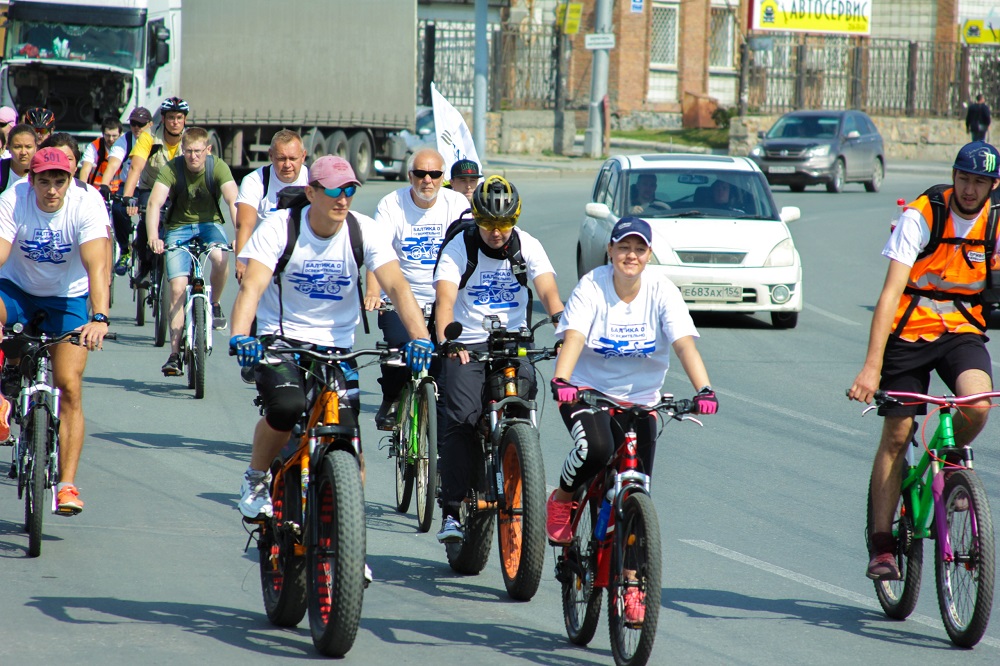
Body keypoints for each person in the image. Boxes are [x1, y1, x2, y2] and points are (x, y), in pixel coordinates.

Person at [229, 155, 433, 521]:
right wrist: (242, 336)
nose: (343, 199)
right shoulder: (280, 227)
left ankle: (349, 538)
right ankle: (257, 478)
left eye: (350, 190)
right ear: (311, 191)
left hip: (337, 347)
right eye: (335, 190)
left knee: (348, 436)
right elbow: (253, 287)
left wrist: (420, 338)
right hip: (282, 339)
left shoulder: (363, 229)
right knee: (287, 407)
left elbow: (398, 287)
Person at [847, 141, 1000, 581]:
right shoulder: (923, 214)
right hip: (909, 331)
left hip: (961, 332)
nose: (970, 190)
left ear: (993, 185)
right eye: (964, 178)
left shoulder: (995, 221)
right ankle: (881, 545)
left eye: (980, 182)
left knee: (978, 403)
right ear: (954, 176)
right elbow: (890, 293)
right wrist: (871, 366)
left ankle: (947, 463)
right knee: (896, 435)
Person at [432, 175, 564, 543]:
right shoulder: (460, 247)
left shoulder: (528, 246)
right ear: (476, 217)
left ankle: (519, 459)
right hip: (468, 345)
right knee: (460, 418)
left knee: (524, 396)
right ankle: (452, 509)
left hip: (513, 343)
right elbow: (445, 301)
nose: (496, 232)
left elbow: (550, 292)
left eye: (505, 224)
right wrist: (447, 340)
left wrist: (564, 329)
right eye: (489, 223)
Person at [0, 147, 111, 513]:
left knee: (70, 385)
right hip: (16, 289)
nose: (51, 189)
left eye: (59, 181)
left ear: (70, 180)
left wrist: (99, 317)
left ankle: (66, 484)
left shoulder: (86, 203)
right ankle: (6, 388)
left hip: (67, 298)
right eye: (43, 181)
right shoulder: (13, 199)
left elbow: (97, 267)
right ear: (30, 180)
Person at [368, 148, 471, 430]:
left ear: (443, 178)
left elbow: (471, 247)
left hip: (444, 298)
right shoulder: (391, 204)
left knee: (445, 363)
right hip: (400, 297)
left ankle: (437, 433)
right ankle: (391, 399)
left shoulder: (456, 202)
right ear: (409, 176)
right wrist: (373, 292)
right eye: (420, 174)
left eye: (435, 174)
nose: (427, 180)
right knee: (397, 354)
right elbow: (377, 252)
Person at [146, 126, 237, 376]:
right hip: (178, 228)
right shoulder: (172, 169)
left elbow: (233, 200)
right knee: (176, 288)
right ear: (182, 150)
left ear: (208, 150)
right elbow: (155, 203)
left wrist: (241, 236)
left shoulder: (217, 167)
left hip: (210, 225)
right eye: (188, 151)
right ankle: (174, 354)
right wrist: (154, 236)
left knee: (220, 257)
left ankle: (215, 303)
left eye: (198, 151)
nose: (193, 156)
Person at [122, 97, 188, 283]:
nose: (175, 122)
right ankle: (145, 263)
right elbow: (136, 167)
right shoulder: (148, 137)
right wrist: (128, 196)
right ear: (163, 119)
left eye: (179, 117)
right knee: (146, 219)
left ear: (185, 120)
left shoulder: (191, 140)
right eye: (171, 117)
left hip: (178, 192)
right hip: (150, 188)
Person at [233, 129, 308, 282]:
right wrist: (242, 261)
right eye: (281, 158)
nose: (287, 165)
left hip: (304, 253)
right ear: (271, 155)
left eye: (293, 158)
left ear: (303, 156)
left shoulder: (313, 180)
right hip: (266, 253)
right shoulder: (255, 181)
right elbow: (244, 225)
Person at [98, 106, 153, 276]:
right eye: (133, 124)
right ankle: (124, 249)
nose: (136, 128)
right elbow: (114, 163)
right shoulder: (125, 140)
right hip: (128, 185)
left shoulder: (155, 140)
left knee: (152, 212)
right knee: (117, 209)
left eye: (141, 124)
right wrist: (105, 184)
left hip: (150, 186)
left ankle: (149, 249)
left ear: (150, 125)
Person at [78, 116, 123, 189]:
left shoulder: (125, 147)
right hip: (97, 191)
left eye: (114, 136)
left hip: (119, 192)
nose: (111, 139)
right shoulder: (94, 146)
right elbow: (85, 169)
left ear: (120, 134)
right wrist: (82, 188)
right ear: (102, 133)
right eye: (107, 135)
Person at [0, 125, 38, 194]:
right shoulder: (1, 169)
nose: (23, 152)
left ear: (36, 147)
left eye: (28, 147)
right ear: (8, 148)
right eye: (17, 147)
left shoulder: (42, 172)